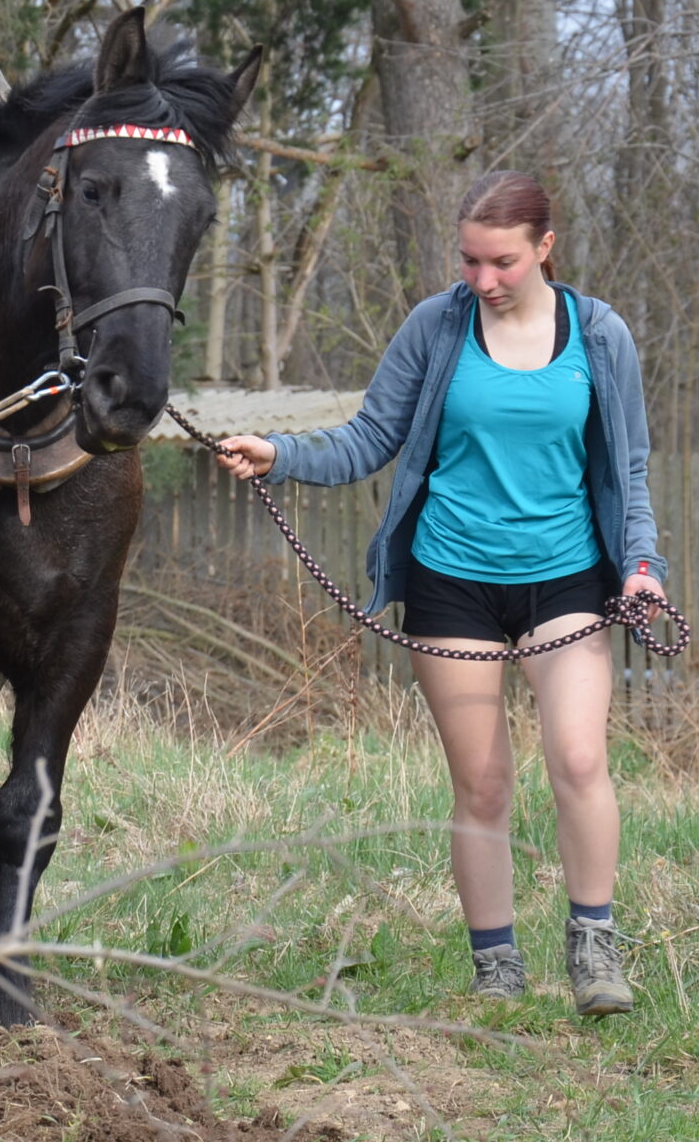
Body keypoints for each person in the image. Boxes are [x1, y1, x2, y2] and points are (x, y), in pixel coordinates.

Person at [213, 172, 663, 1017]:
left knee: (578, 759)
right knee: (483, 786)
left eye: (503, 263)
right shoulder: (437, 326)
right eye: (469, 261)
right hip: (451, 581)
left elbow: (628, 468)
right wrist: (280, 454)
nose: (483, 280)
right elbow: (370, 437)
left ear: (545, 248)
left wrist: (642, 565)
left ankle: (595, 950)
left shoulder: (599, 334)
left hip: (566, 578)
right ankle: (497, 968)